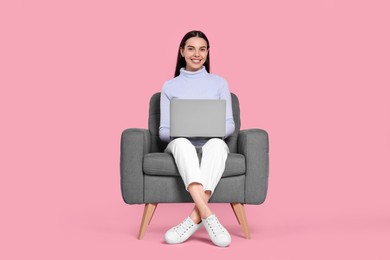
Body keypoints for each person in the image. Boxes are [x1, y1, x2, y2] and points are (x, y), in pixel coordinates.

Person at [159, 30, 235, 247]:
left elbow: (229, 125)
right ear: (182, 51)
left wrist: (209, 129)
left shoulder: (219, 83)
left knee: (218, 145)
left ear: (207, 52)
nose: (196, 54)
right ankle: (209, 217)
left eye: (202, 49)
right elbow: (164, 131)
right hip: (181, 144)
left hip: (211, 142)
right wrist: (185, 130)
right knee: (182, 143)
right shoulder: (169, 86)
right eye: (191, 48)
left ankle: (195, 217)